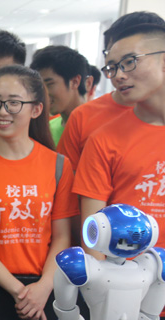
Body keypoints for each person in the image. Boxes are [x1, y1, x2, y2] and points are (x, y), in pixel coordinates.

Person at [0, 65, 78, 320]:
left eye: (13, 103)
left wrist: (44, 287)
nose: (2, 111)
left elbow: (62, 236)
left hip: (46, 288)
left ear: (36, 109)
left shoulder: (58, 166)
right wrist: (21, 293)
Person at [73, 24, 165, 256]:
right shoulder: (103, 139)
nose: (118, 76)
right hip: (126, 272)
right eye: (112, 68)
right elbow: (94, 237)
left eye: (130, 62)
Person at [58, 11, 165, 172]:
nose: (119, 74)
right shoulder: (86, 119)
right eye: (113, 62)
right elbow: (66, 178)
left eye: (130, 61)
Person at [30, 45, 89, 145]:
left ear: (75, 82)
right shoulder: (47, 131)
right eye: (40, 86)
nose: (43, 93)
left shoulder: (98, 127)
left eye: (49, 84)